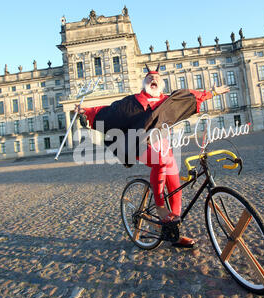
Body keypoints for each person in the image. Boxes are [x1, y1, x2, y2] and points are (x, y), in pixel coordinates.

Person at [76, 66, 229, 247]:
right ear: (145, 83)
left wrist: (211, 92)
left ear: (161, 83)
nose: (152, 81)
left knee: (175, 186)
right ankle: (160, 207)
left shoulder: (168, 101)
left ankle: (173, 231)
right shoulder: (132, 102)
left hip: (163, 145)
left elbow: (189, 98)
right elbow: (110, 111)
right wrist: (86, 111)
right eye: (149, 78)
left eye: (156, 78)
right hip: (137, 143)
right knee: (160, 162)